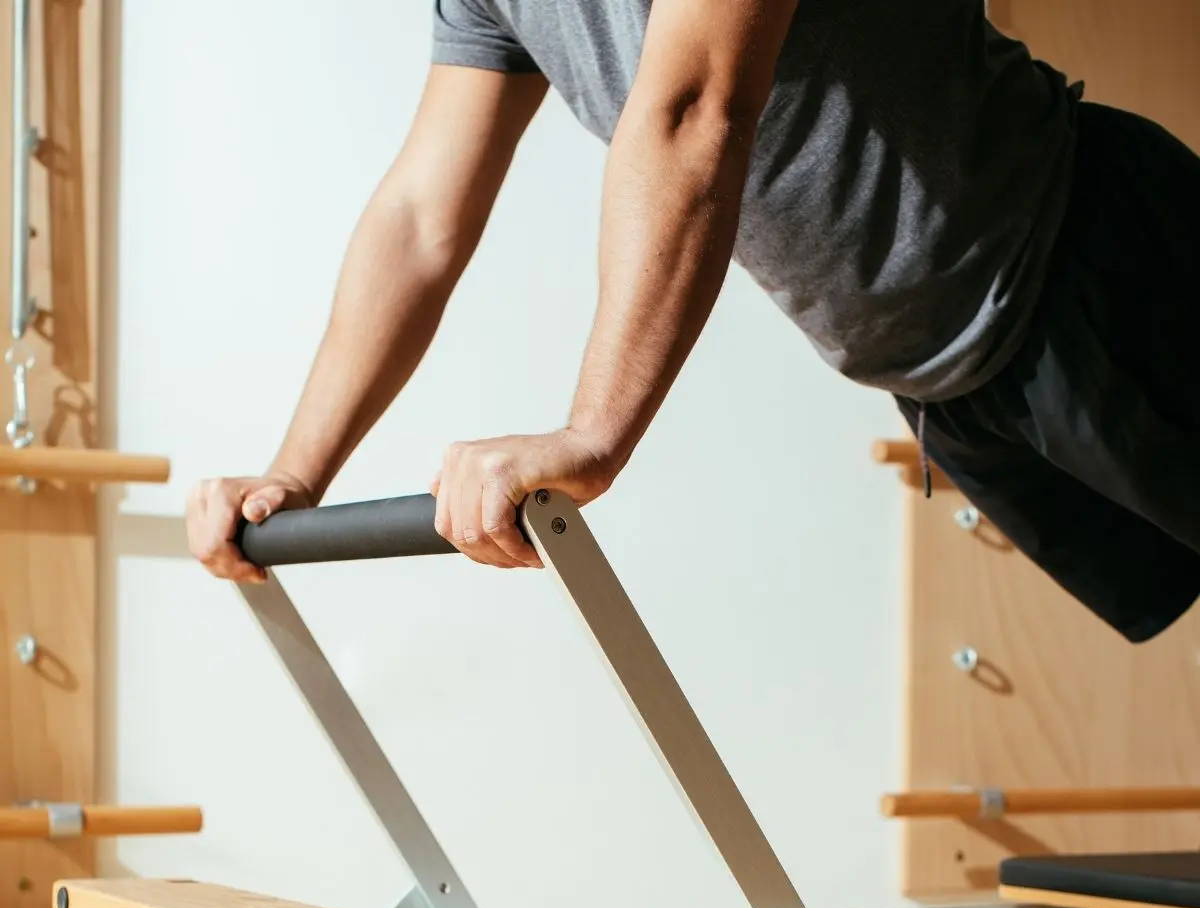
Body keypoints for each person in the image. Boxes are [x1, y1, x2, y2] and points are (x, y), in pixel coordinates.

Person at [188, 0, 1199, 645]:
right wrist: (296, 475)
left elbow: (696, 107)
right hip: (949, 378)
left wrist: (591, 432)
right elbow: (421, 214)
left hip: (1091, 262)